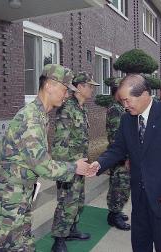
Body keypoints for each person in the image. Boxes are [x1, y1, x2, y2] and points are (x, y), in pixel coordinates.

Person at [0, 64, 97, 252]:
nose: (66, 95)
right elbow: (41, 165)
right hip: (10, 197)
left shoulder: (41, 115)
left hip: (20, 193)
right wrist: (74, 168)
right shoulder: (31, 118)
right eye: (64, 89)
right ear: (49, 86)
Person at [90, 74, 161, 252]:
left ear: (145, 94)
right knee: (140, 245)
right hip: (139, 197)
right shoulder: (127, 119)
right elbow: (118, 148)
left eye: (127, 100)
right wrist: (99, 164)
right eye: (122, 101)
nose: (124, 105)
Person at [50, 72, 100, 252]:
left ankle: (71, 230)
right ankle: (58, 240)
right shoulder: (67, 109)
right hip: (69, 166)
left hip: (79, 164)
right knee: (66, 202)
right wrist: (68, 167)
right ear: (79, 87)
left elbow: (81, 139)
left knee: (78, 200)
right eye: (90, 86)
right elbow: (59, 144)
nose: (92, 89)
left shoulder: (82, 108)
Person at [105, 77, 131, 231]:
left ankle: (116, 211)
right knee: (119, 186)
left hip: (121, 155)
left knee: (120, 186)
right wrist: (125, 157)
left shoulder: (120, 107)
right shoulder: (115, 109)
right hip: (120, 156)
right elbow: (116, 136)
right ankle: (114, 216)